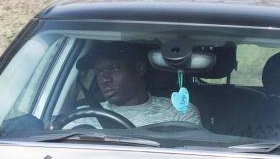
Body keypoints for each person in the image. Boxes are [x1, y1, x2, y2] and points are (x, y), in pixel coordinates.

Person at [72, 43, 201, 128]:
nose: (103, 79)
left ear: (139, 69)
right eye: (98, 72)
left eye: (114, 68)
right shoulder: (84, 114)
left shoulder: (179, 112)